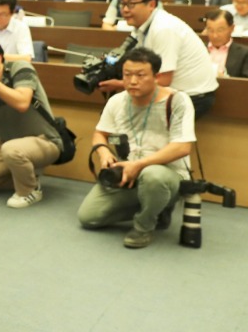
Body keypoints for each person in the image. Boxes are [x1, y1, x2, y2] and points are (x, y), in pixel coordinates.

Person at [77, 47, 196, 248]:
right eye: (127, 75)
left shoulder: (178, 101)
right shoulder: (116, 101)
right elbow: (100, 134)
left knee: (153, 177)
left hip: (167, 172)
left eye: (140, 75)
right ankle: (157, 207)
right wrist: (103, 151)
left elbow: (183, 147)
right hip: (128, 171)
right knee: (89, 217)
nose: (132, 81)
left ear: (156, 76)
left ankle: (144, 226)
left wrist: (140, 164)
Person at [0, 39, 63, 208]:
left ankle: (30, 190)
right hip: (7, 143)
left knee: (12, 149)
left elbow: (22, 103)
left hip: (45, 140)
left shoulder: (20, 68)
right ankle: (24, 175)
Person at [100, 0, 219, 118]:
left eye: (131, 4)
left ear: (151, 4)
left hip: (193, 96)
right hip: (170, 92)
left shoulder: (163, 28)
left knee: (136, 124)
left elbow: (164, 80)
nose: (125, 10)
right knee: (116, 113)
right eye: (123, 4)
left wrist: (121, 84)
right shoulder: (141, 26)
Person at [203, 9, 248, 78]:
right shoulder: (198, 49)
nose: (215, 35)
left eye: (220, 30)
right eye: (210, 30)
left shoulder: (246, 53)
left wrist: (226, 79)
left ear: (232, 28)